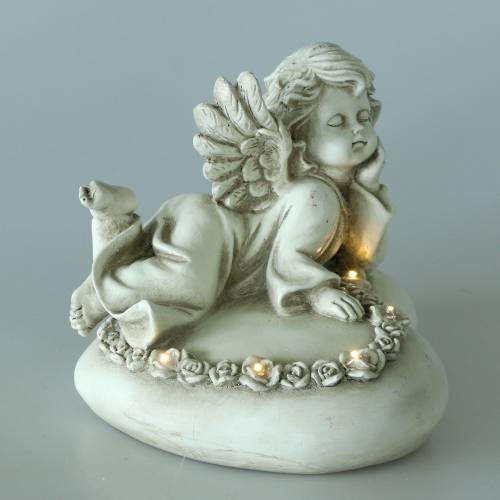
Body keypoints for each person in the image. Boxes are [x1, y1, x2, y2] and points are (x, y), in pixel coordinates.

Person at [70, 42, 392, 349]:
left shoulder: (332, 193)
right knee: (190, 287)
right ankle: (105, 282)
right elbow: (287, 260)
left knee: (189, 289)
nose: (357, 130)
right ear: (300, 132)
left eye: (363, 117)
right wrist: (319, 294)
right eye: (337, 122)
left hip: (211, 231)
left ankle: (115, 226)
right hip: (214, 232)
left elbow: (358, 259)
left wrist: (368, 184)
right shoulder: (315, 195)